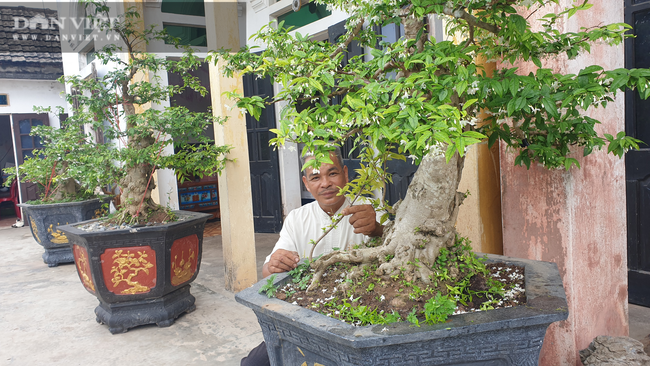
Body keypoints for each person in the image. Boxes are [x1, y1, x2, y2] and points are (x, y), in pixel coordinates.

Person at [241, 146, 384, 366]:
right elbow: (267, 272)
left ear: (346, 173)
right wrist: (275, 264)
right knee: (253, 364)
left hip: (361, 316)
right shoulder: (297, 218)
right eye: (315, 177)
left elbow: (397, 252)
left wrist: (377, 229)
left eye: (333, 173)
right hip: (307, 317)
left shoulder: (371, 209)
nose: (325, 183)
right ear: (306, 183)